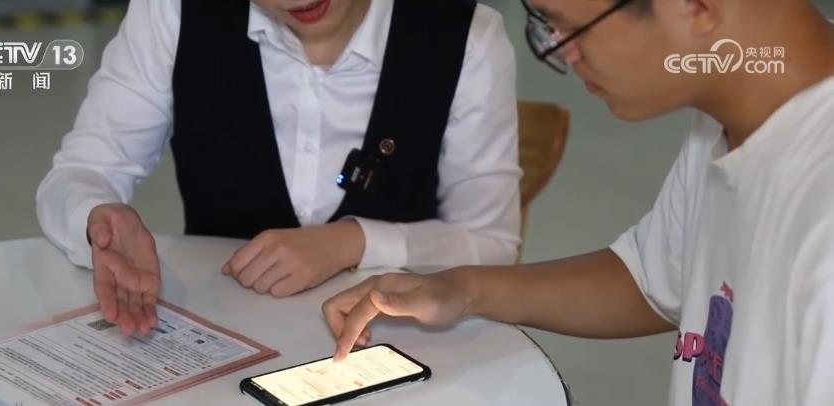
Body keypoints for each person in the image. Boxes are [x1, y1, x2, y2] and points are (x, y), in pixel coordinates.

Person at [323, 0, 834, 404]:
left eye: (570, 28)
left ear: (696, 7)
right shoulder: (733, 108)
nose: (562, 55)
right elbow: (656, 278)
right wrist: (461, 289)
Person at [36, 0, 522, 337]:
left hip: (399, 347)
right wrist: (96, 216)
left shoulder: (465, 37)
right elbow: (84, 168)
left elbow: (492, 245)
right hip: (223, 342)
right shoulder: (175, 12)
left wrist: (353, 241)